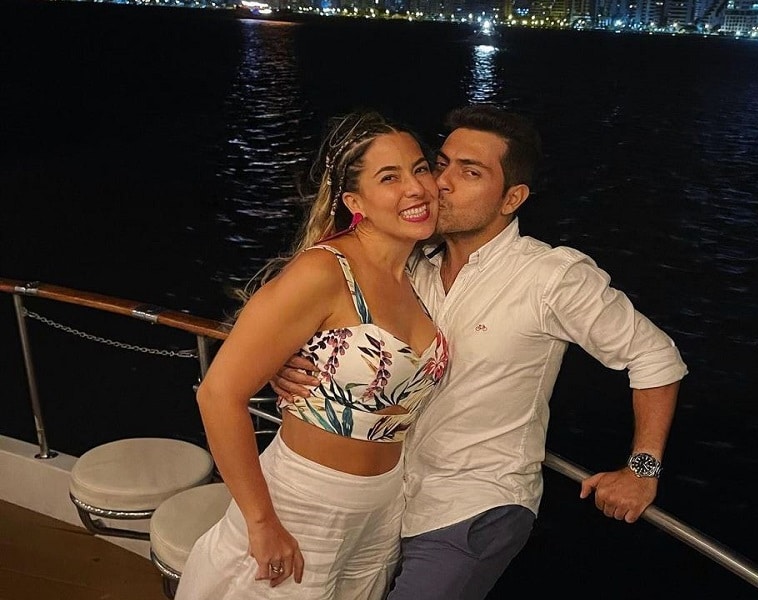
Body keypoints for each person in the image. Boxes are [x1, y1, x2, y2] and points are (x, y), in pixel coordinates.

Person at [271, 105, 688, 600]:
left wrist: (642, 469)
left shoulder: (551, 277)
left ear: (512, 197)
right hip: (387, 496)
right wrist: (286, 361)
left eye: (470, 173)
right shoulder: (408, 265)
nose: (441, 184)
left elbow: (655, 356)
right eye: (440, 165)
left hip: (475, 506)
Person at [176, 111, 450, 600]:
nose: (416, 188)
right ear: (354, 201)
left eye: (421, 169)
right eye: (389, 177)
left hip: (383, 507)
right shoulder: (324, 272)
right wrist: (262, 522)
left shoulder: (417, 277)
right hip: (304, 501)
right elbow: (218, 395)